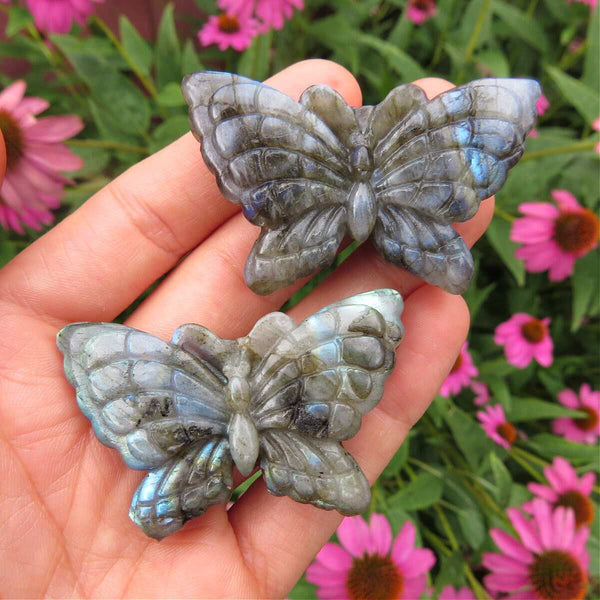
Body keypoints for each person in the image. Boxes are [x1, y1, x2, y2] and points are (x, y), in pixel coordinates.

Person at [0, 60, 493, 598]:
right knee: (337, 474)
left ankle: (170, 497)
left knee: (285, 288)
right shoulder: (312, 348)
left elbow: (102, 355)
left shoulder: (160, 364)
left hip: (304, 243)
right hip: (294, 424)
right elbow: (87, 348)